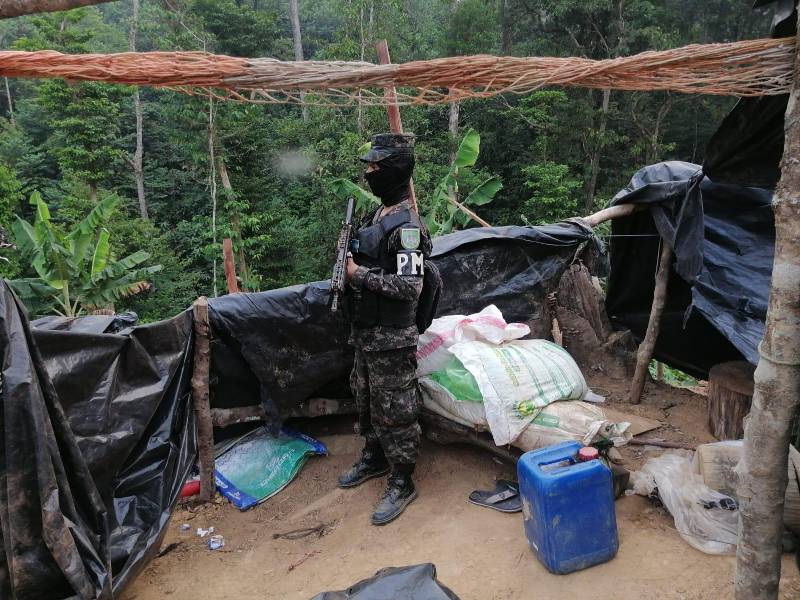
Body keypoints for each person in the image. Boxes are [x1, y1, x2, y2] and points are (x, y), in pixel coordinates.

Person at [338, 132, 432, 526]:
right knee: (366, 400)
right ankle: (375, 457)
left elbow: (411, 287)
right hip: (366, 331)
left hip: (392, 338)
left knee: (396, 409)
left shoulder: (408, 228)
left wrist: (357, 275)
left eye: (376, 167)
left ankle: (402, 479)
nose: (369, 173)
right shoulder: (376, 216)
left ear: (394, 171)